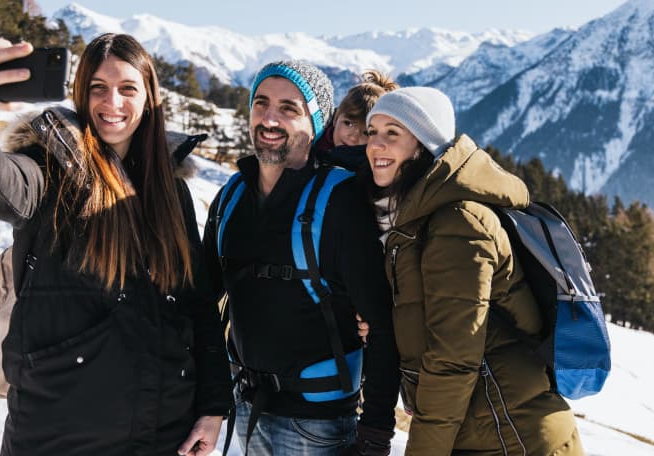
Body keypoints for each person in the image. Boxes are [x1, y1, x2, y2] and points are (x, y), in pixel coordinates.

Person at [0, 34, 232, 456]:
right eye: (98, 88)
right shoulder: (46, 170)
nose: (113, 103)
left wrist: (213, 406)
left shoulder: (170, 189)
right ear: (80, 93)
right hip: (59, 435)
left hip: (166, 436)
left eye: (128, 89)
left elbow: (198, 305)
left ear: (149, 99)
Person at [364, 86, 584, 456]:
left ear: (423, 144)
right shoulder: (420, 219)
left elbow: (454, 359)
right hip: (486, 430)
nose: (375, 145)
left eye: (392, 133)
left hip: (512, 436)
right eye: (372, 132)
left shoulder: (458, 224)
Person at [203, 60, 399, 455]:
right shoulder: (231, 198)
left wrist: (376, 433)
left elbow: (380, 325)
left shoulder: (341, 200)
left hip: (319, 423)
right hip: (245, 408)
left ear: (317, 122)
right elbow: (201, 304)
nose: (270, 118)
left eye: (289, 108)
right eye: (260, 104)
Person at [315, 70, 398, 171]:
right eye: (348, 124)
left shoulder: (372, 168)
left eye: (366, 133)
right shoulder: (312, 144)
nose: (353, 137)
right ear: (336, 118)